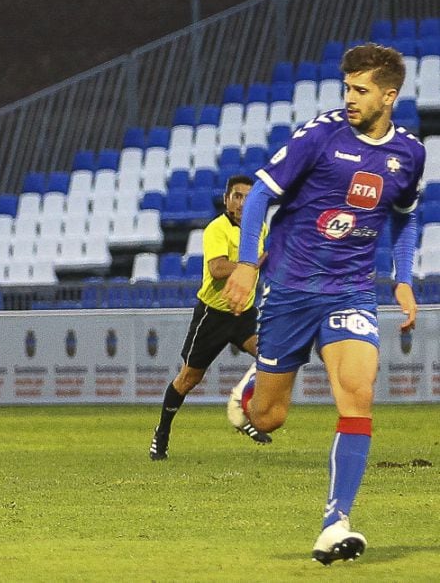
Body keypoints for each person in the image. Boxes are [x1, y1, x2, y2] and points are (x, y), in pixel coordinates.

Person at [223, 43, 424, 564]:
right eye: (347, 88)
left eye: (360, 90)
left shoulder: (409, 154)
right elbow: (262, 195)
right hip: (289, 288)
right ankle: (251, 393)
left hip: (351, 288)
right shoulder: (321, 135)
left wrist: (402, 278)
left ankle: (336, 523)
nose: (349, 98)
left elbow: (404, 215)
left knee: (357, 394)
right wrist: (247, 264)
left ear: (389, 94)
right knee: (270, 418)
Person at [148, 175, 270, 461]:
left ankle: (246, 414)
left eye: (248, 197)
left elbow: (261, 264)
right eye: (236, 196)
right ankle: (161, 433)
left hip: (244, 312)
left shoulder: (259, 228)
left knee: (271, 360)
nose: (241, 203)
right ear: (227, 200)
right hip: (213, 315)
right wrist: (249, 266)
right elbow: (216, 268)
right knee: (189, 379)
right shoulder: (217, 229)